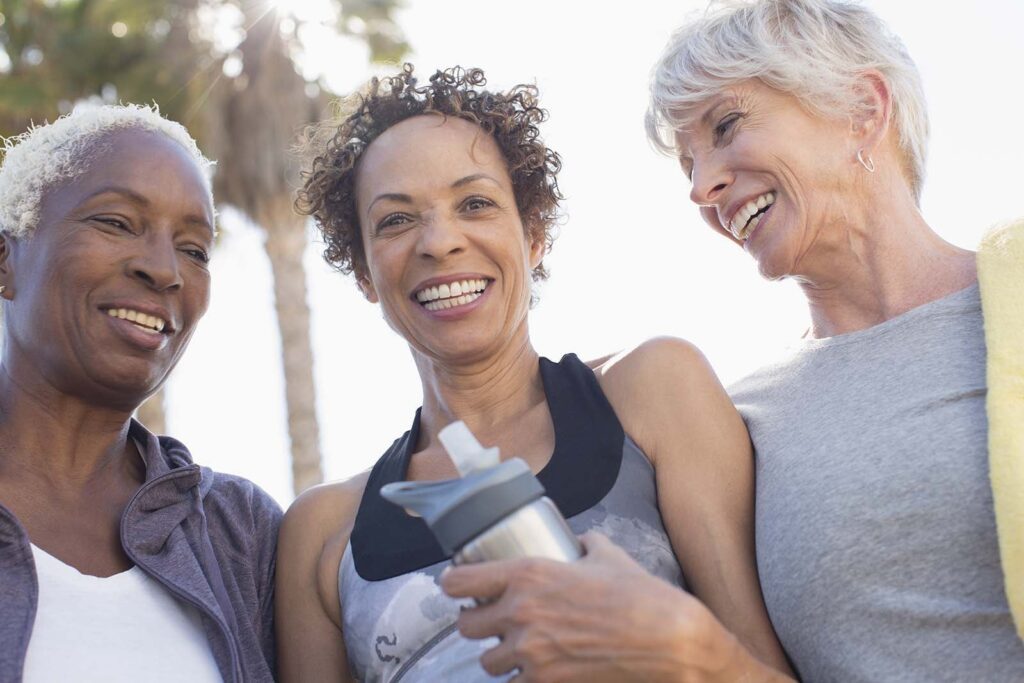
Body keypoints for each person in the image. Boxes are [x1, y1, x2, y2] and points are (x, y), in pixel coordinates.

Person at [440, 0, 1024, 681]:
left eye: (727, 125)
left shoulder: (1008, 307)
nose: (700, 186)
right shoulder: (738, 425)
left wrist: (693, 645)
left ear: (862, 110)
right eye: (688, 162)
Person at [276, 64, 793, 682]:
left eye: (475, 203)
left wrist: (670, 643)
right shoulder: (324, 534)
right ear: (363, 271)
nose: (439, 242)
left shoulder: (653, 393)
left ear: (534, 234)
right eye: (396, 219)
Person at [0, 104, 281, 682]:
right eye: (116, 222)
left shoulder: (240, 531)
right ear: (6, 260)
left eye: (195, 249)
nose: (164, 270)